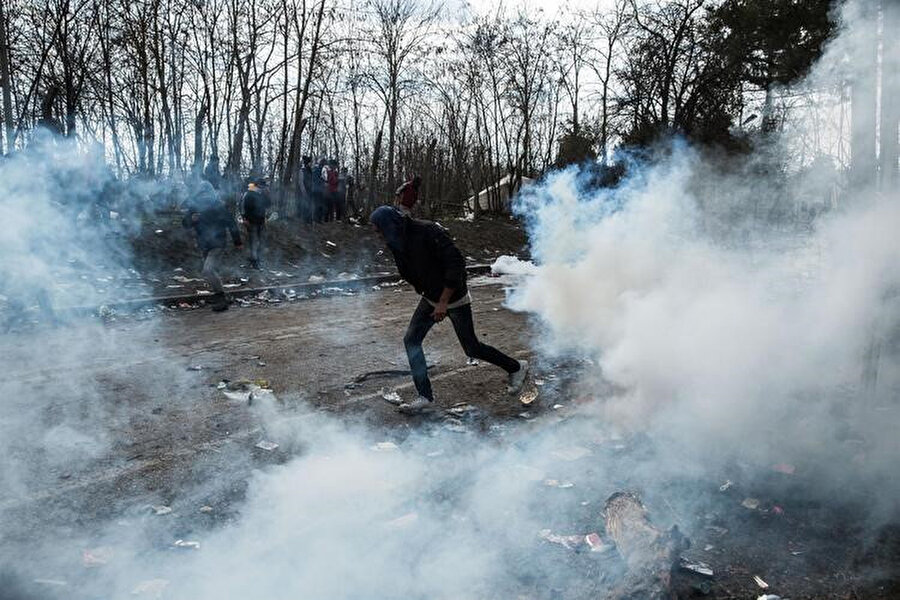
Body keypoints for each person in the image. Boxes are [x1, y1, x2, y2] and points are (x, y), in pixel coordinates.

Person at [369, 205, 528, 413]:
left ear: (388, 224)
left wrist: (443, 302)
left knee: (471, 348)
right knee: (412, 340)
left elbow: (456, 263)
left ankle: (517, 368)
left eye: (378, 229)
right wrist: (427, 294)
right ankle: (425, 397)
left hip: (453, 296)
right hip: (431, 297)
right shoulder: (396, 241)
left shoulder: (427, 231)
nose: (377, 234)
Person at [183, 180, 242, 311]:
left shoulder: (218, 206)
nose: (204, 197)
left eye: (206, 193)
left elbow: (231, 224)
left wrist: (237, 241)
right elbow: (185, 223)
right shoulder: (195, 206)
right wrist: (191, 220)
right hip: (204, 244)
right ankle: (221, 296)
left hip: (217, 244)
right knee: (211, 271)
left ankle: (222, 298)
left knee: (208, 270)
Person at [239, 177, 271, 269]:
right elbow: (243, 207)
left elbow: (268, 205)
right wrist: (244, 219)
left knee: (262, 242)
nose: (264, 188)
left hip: (261, 221)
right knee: (253, 242)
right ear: (258, 186)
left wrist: (267, 195)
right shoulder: (249, 194)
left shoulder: (262, 194)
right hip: (251, 222)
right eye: (263, 186)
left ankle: (258, 260)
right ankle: (254, 262)